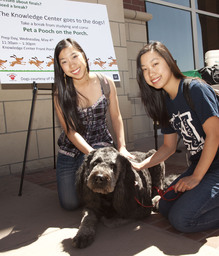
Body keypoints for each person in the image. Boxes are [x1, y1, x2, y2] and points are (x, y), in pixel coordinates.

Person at [131, 41, 219, 233]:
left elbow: (214, 135)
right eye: (144, 69)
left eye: (155, 64)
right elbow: (168, 147)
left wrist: (196, 178)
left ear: (169, 62)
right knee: (164, 206)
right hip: (201, 164)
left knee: (182, 219)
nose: (151, 73)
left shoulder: (194, 89)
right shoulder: (164, 103)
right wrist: (139, 165)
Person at [53, 38, 132, 210]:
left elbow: (116, 117)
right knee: (69, 204)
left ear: (84, 55)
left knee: (97, 194)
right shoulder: (61, 92)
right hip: (70, 150)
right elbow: (70, 131)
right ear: (61, 69)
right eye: (64, 62)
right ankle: (81, 185)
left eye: (74, 56)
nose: (72, 64)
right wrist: (91, 154)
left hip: (100, 143)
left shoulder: (106, 83)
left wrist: (122, 147)